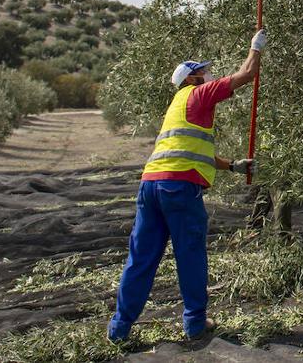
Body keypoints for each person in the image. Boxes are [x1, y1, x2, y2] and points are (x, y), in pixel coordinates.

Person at [107, 29, 267, 343]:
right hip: (179, 190)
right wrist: (256, 46)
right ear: (192, 78)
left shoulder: (178, 105)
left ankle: (119, 329)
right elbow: (247, 73)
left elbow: (194, 150)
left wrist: (232, 165)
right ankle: (195, 325)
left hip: (150, 187)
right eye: (204, 72)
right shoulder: (199, 94)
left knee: (141, 259)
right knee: (190, 254)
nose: (210, 75)